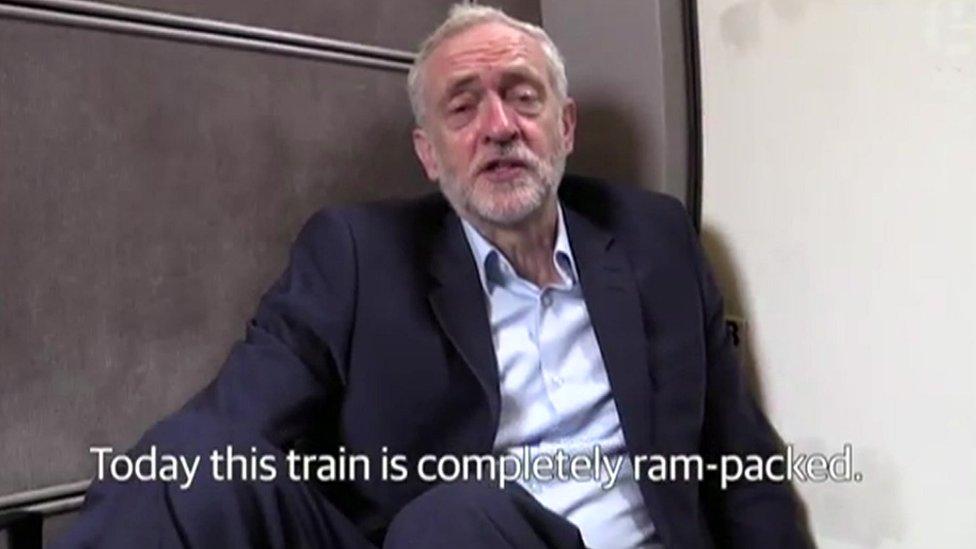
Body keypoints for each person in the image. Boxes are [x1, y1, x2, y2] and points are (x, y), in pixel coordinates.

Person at [56, 4, 808, 548]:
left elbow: (742, 462)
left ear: (565, 127)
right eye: (463, 106)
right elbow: (232, 427)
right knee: (185, 463)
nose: (499, 126)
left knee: (455, 520)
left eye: (522, 95)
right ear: (428, 153)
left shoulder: (656, 240)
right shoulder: (357, 254)